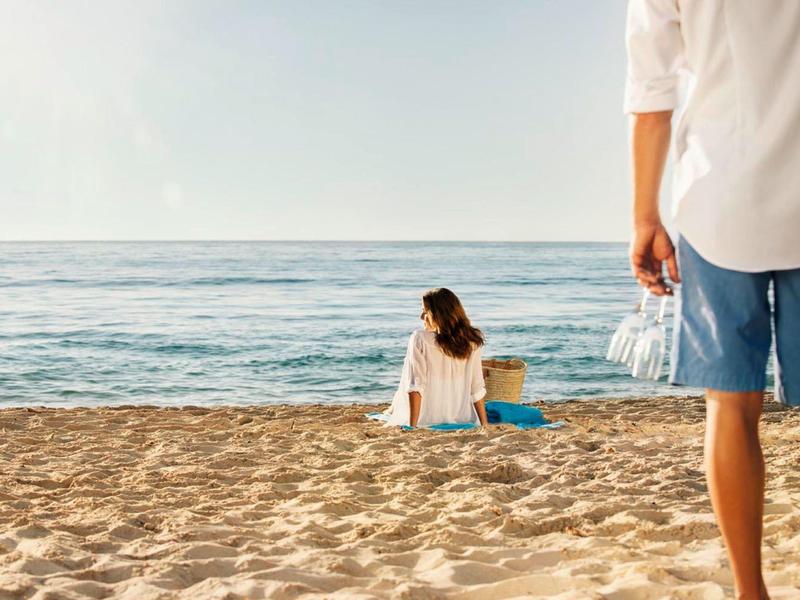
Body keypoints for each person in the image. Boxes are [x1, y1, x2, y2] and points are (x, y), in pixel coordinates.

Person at [624, 2, 800, 598]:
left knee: (731, 408)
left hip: (719, 202)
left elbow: (653, 102)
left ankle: (752, 593)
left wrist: (645, 216)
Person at [383, 288, 489, 428]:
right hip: (462, 417)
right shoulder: (472, 341)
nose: (422, 317)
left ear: (438, 314)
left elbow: (416, 385)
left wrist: (412, 426)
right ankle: (392, 408)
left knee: (405, 385)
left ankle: (392, 409)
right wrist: (484, 424)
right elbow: (476, 386)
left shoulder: (420, 339)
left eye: (425, 311)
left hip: (427, 417)